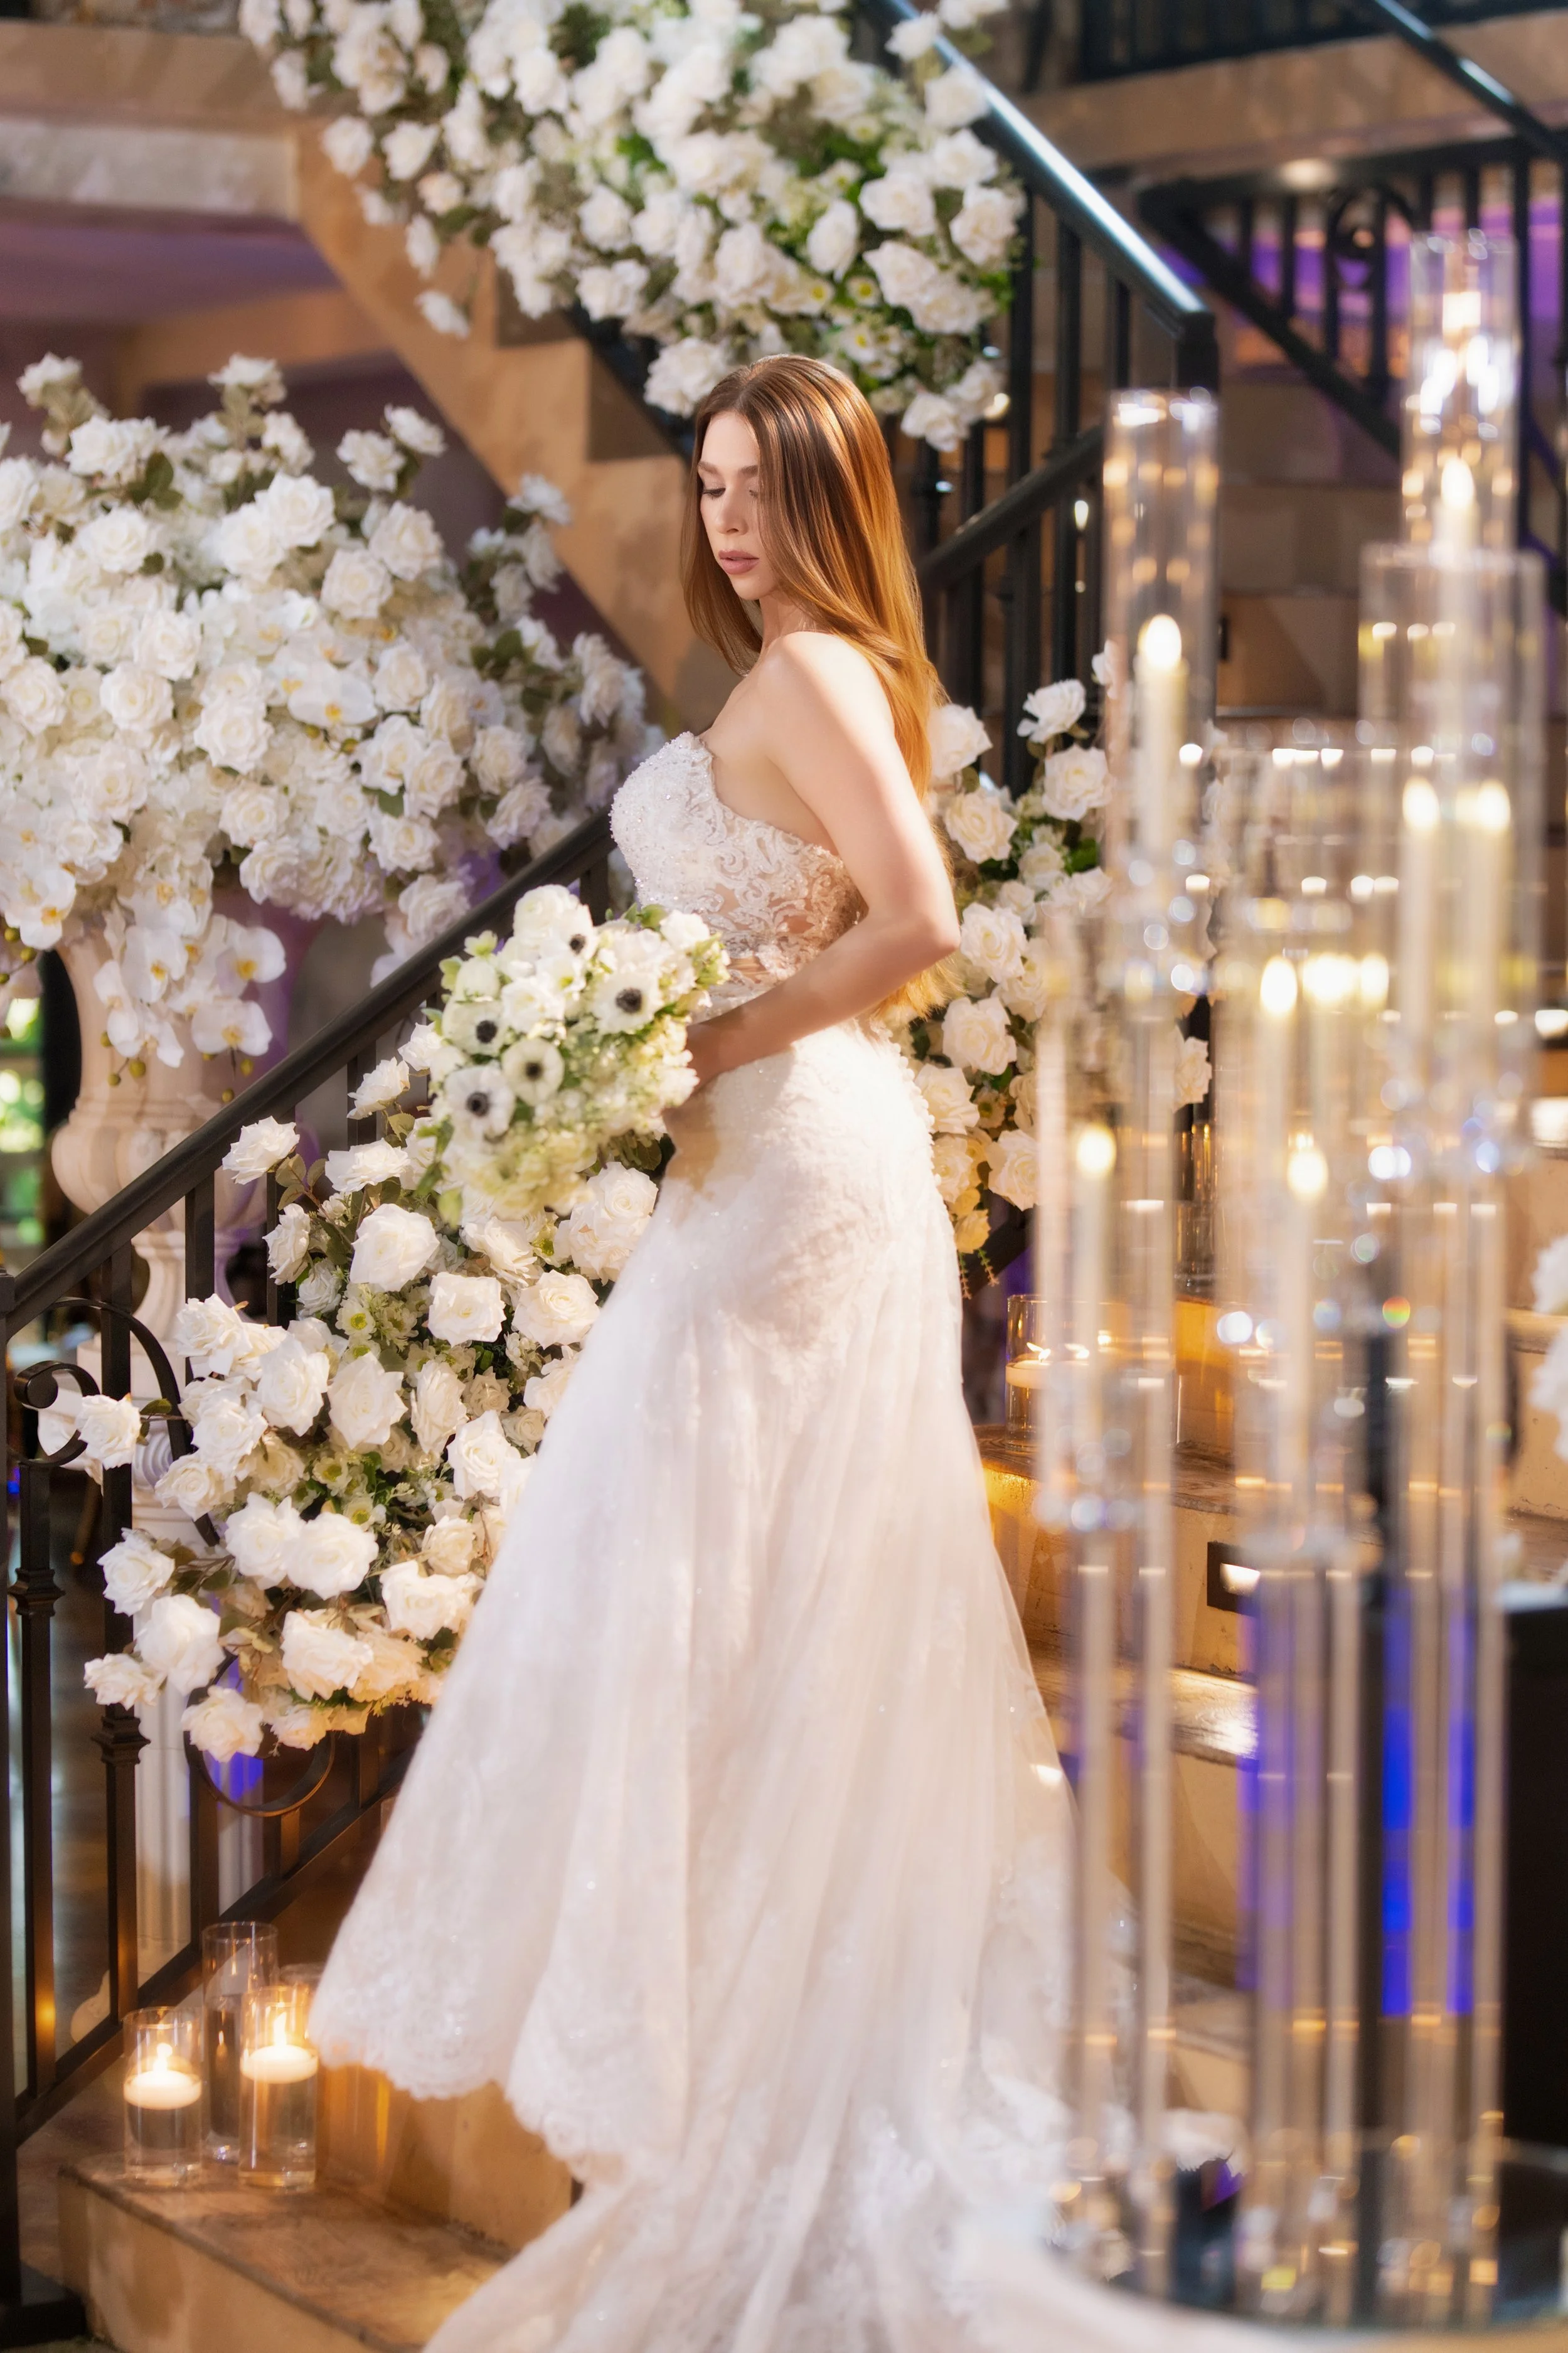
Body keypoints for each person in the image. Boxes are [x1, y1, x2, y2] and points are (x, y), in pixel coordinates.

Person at [309, 354, 1079, 2349]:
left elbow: (914, 916)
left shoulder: (817, 672)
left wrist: (702, 1039)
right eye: (713, 482)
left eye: (762, 486)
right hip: (762, 1163)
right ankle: (732, 2025)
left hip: (793, 1169)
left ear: (829, 502)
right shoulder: (794, 672)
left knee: (705, 1587)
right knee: (724, 1600)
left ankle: (760, 2057)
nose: (727, 518)